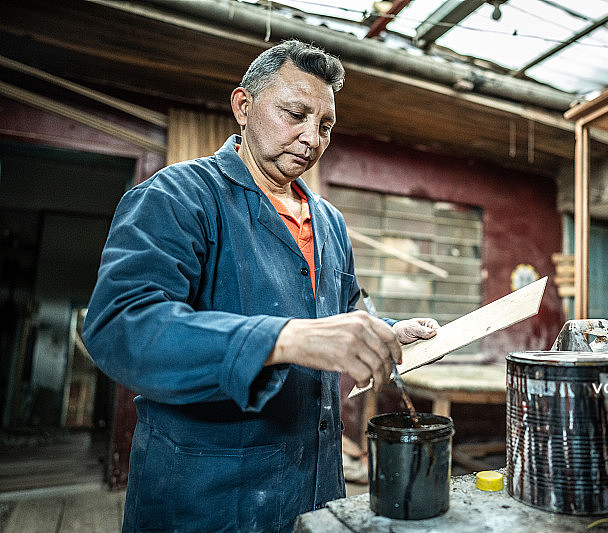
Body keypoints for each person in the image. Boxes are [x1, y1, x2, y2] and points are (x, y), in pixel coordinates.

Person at [82, 39, 439, 533]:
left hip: (314, 487)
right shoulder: (178, 196)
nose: (312, 139)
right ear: (244, 107)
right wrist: (284, 339)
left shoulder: (330, 223)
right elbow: (119, 326)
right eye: (294, 114)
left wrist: (385, 331)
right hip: (205, 500)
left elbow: (335, 311)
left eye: (326, 125)